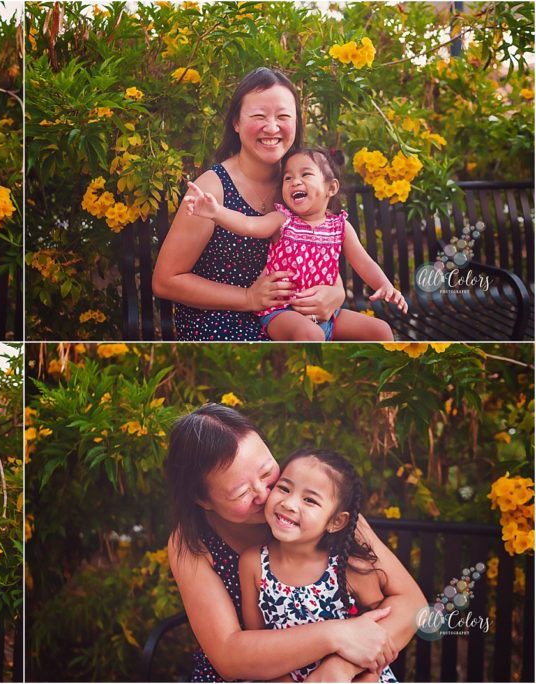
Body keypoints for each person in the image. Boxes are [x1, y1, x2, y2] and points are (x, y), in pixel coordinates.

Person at [164, 404, 426, 681]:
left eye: (267, 474)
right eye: (242, 492)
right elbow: (229, 654)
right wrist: (335, 634)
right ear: (203, 500)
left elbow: (411, 603)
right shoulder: (191, 543)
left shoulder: (324, 517)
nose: (266, 496)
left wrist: (340, 667)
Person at [151, 68, 346, 340]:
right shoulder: (212, 189)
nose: (272, 127)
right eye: (259, 116)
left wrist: (337, 292)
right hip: (221, 322)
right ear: (236, 123)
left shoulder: (299, 187)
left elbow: (319, 247)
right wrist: (247, 297)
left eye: (283, 116)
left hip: (290, 318)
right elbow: (165, 281)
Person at [183, 148, 405, 340]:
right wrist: (216, 212)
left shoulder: (340, 227)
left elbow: (364, 263)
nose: (294, 181)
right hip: (283, 312)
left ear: (331, 188)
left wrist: (384, 284)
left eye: (305, 174)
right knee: (310, 334)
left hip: (328, 314)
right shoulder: (282, 220)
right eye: (288, 178)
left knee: (381, 331)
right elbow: (248, 225)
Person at [238, 449, 398, 682]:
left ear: (336, 522)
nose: (289, 503)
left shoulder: (347, 568)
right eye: (284, 488)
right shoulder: (254, 563)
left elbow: (377, 638)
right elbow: (258, 641)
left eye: (310, 500)